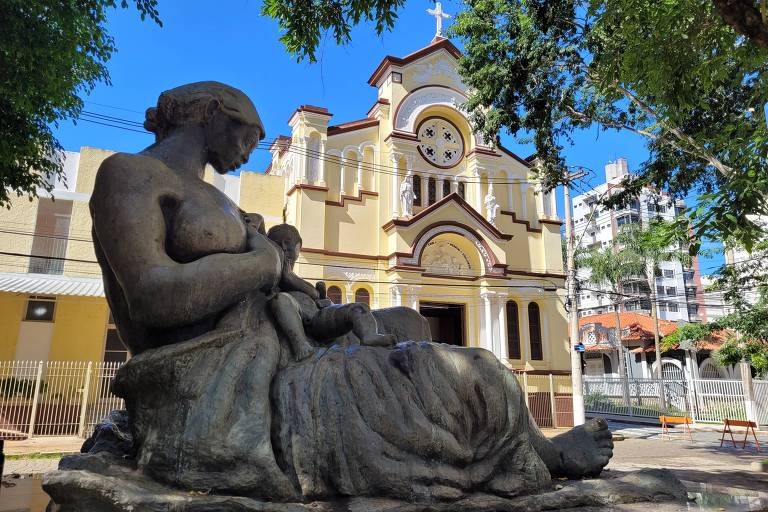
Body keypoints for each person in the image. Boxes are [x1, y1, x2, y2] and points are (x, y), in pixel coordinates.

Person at [89, 81, 613, 503]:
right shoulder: (129, 174)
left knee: (410, 328)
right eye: (246, 133)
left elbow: (278, 276)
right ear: (209, 112)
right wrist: (265, 262)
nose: (251, 149)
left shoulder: (217, 198)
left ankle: (526, 445)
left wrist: (295, 284)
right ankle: (535, 455)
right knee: (446, 371)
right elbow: (151, 296)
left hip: (276, 330)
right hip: (217, 368)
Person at [265, 223, 395, 360]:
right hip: (304, 320)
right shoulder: (279, 273)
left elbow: (310, 292)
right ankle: (301, 345)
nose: (286, 248)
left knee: (358, 307)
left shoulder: (289, 274)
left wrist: (317, 294)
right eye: (277, 244)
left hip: (319, 316)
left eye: (288, 243)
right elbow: (290, 283)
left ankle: (369, 335)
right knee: (281, 300)